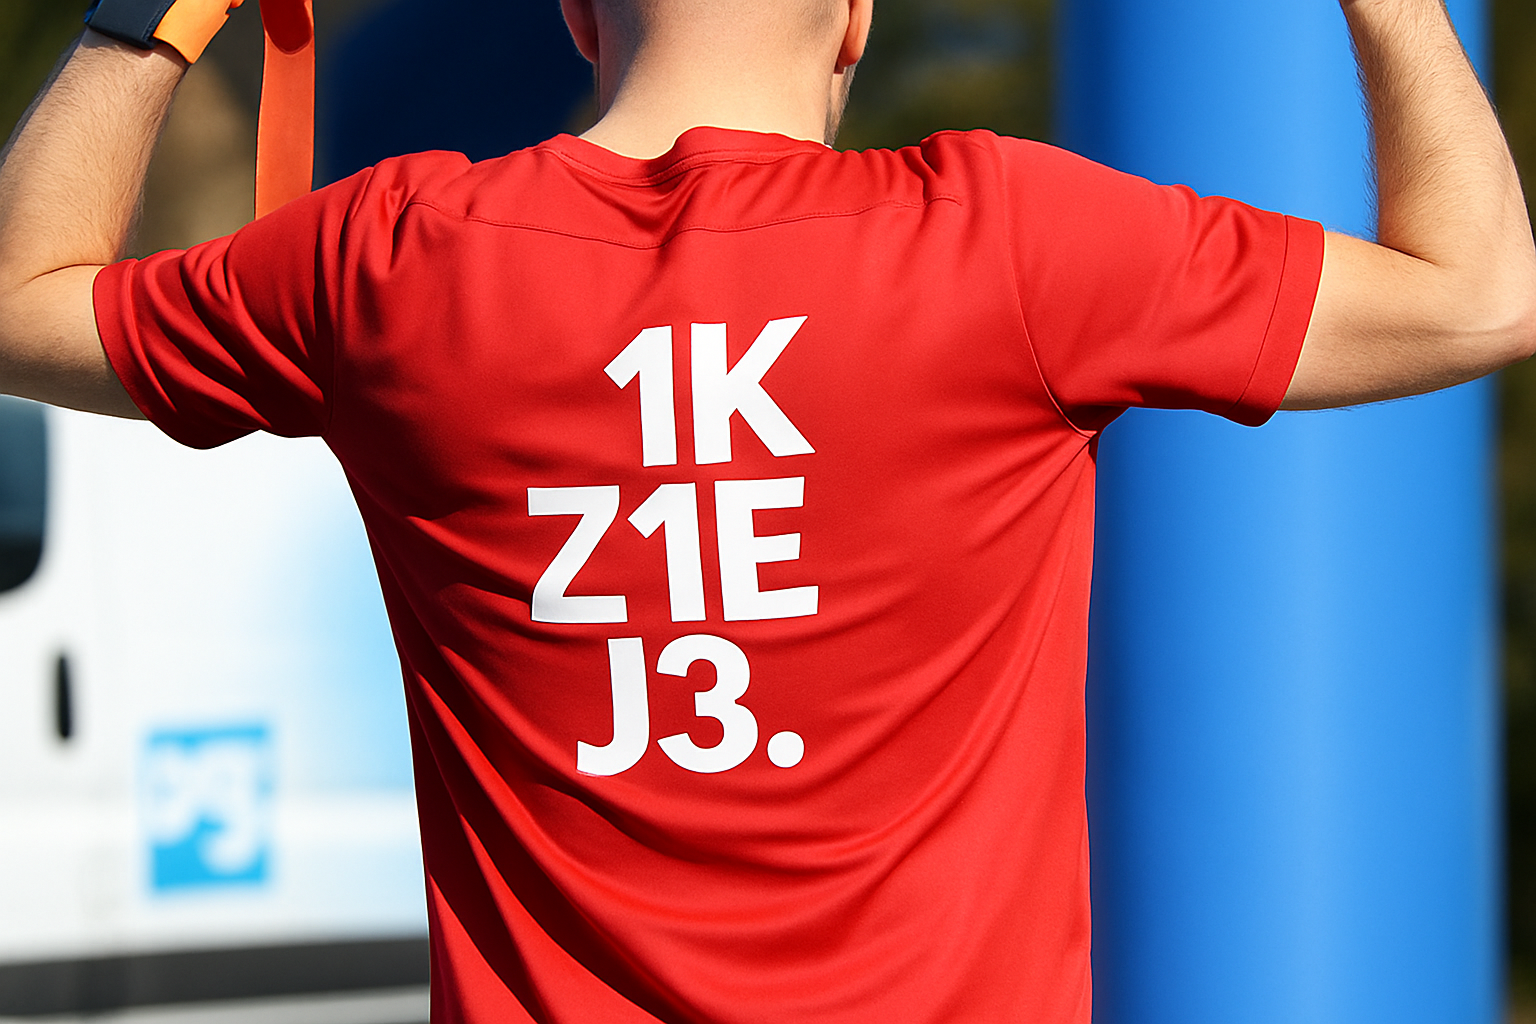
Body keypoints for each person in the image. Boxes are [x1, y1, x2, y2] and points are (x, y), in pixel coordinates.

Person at [1, 0, 1532, 1019]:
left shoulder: (392, 260)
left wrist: (148, 23)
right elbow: (1479, 297)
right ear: (856, 18)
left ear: (578, 13)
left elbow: (18, 305)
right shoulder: (1011, 240)